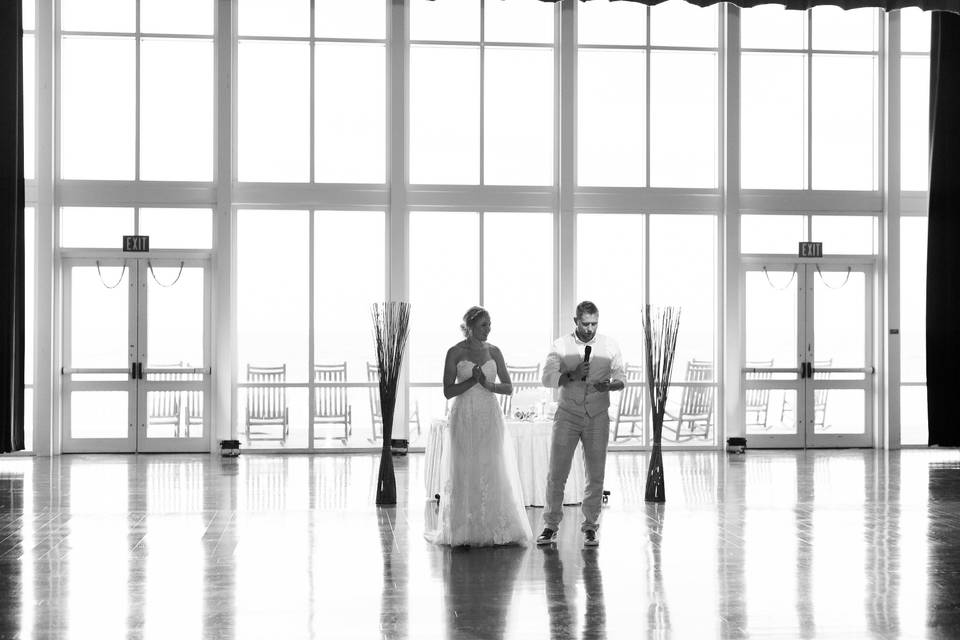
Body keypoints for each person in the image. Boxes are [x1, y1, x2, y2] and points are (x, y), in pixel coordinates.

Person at [425, 306, 533, 547]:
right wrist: (473, 380)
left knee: (492, 465)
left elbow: (508, 387)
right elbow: (448, 391)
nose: (488, 330)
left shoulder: (494, 351)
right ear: (470, 327)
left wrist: (487, 384)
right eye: (484, 325)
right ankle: (464, 528)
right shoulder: (454, 352)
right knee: (464, 468)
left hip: (489, 415)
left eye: (490, 325)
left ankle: (495, 526)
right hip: (463, 415)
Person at [537, 301, 625, 548]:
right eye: (584, 324)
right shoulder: (561, 346)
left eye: (594, 324)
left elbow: (621, 379)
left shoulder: (610, 345)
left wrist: (609, 385)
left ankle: (590, 527)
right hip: (567, 415)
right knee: (557, 473)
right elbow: (546, 378)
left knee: (596, 474)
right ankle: (550, 526)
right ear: (575, 321)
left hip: (597, 415)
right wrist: (570, 375)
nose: (589, 329)